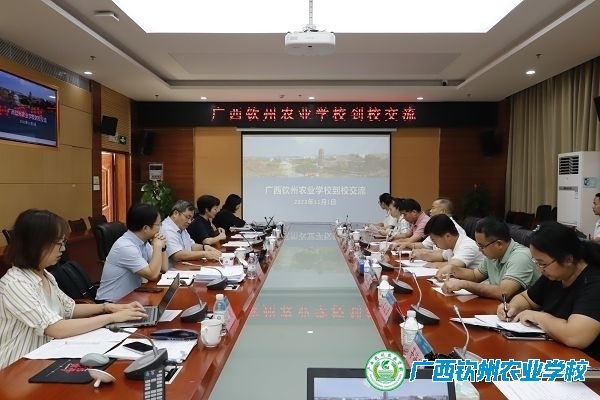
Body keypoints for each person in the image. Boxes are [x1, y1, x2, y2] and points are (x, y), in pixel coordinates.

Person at [0, 209, 146, 369]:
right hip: (16, 367)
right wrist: (111, 318)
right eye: (58, 243)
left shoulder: (45, 275)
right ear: (37, 244)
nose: (63, 249)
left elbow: (69, 308)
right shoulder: (15, 283)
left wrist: (107, 307)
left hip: (45, 355)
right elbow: (55, 328)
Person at [497, 221, 600, 360]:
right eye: (537, 262)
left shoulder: (594, 283)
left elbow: (576, 336)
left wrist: (538, 317)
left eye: (543, 263)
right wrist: (512, 307)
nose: (540, 269)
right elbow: (526, 298)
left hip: (587, 364)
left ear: (568, 259)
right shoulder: (555, 275)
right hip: (554, 352)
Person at [438, 217, 539, 300]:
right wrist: (453, 269)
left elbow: (503, 292)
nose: (480, 250)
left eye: (482, 246)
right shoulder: (493, 254)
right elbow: (475, 275)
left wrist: (464, 284)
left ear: (499, 244)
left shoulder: (520, 257)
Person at [96, 203, 169, 302]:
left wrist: (162, 248)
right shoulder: (126, 247)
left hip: (130, 299)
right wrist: (157, 246)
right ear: (146, 228)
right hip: (112, 304)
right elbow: (153, 275)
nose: (160, 227)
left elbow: (163, 268)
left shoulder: (142, 242)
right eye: (158, 224)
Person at [160, 200, 221, 268]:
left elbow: (192, 246)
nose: (189, 222)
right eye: (187, 217)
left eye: (191, 219)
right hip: (171, 271)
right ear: (176, 213)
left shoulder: (181, 227)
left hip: (184, 267)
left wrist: (204, 247)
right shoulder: (166, 229)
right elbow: (177, 255)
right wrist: (204, 254)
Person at [413, 214, 483, 269]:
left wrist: (432, 265)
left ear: (447, 236)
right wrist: (420, 255)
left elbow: (453, 266)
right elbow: (441, 256)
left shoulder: (467, 246)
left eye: (434, 239)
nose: (433, 243)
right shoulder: (453, 244)